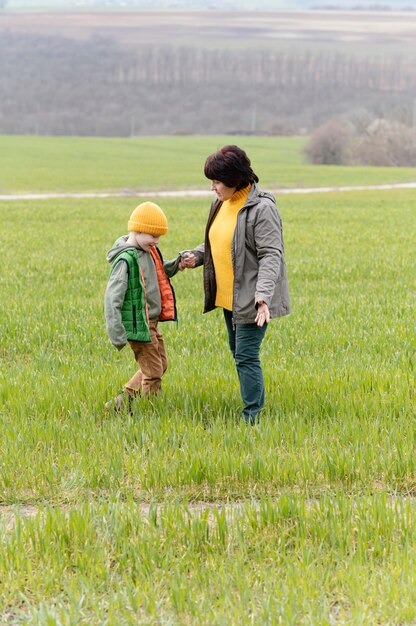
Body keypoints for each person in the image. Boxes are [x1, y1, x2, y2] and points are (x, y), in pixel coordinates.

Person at [182, 145, 290, 423]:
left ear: (233, 179)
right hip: (228, 296)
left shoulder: (261, 208)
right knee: (238, 353)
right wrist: (196, 256)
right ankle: (253, 407)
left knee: (245, 355)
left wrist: (263, 297)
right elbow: (219, 243)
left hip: (253, 299)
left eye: (216, 182)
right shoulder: (221, 203)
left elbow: (271, 254)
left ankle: (252, 417)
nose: (212, 188)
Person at [104, 201, 185, 413]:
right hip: (138, 324)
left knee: (161, 364)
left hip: (152, 322)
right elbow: (112, 298)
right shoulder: (125, 260)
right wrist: (117, 332)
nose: (156, 242)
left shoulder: (148, 252)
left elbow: (158, 273)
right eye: (153, 236)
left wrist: (177, 264)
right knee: (153, 372)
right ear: (138, 230)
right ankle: (149, 412)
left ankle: (123, 401)